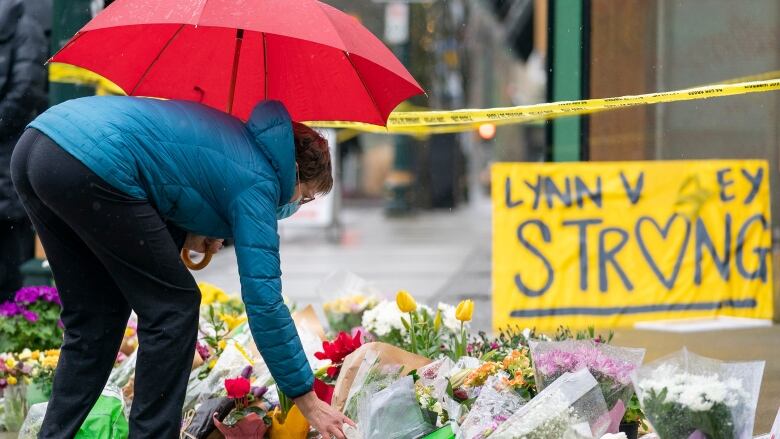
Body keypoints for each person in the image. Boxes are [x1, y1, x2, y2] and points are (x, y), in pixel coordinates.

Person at [11, 96, 353, 438]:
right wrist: (305, 399)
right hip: (93, 160)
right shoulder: (261, 180)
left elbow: (166, 180)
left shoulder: (237, 140)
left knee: (95, 318)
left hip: (38, 146)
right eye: (304, 196)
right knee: (173, 309)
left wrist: (192, 230)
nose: (295, 205)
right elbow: (264, 301)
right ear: (294, 172)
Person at [0, 0, 47, 301]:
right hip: (12, 157)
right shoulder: (27, 29)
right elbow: (25, 92)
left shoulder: (23, 29)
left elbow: (23, 93)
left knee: (11, 252)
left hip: (9, 160)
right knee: (12, 254)